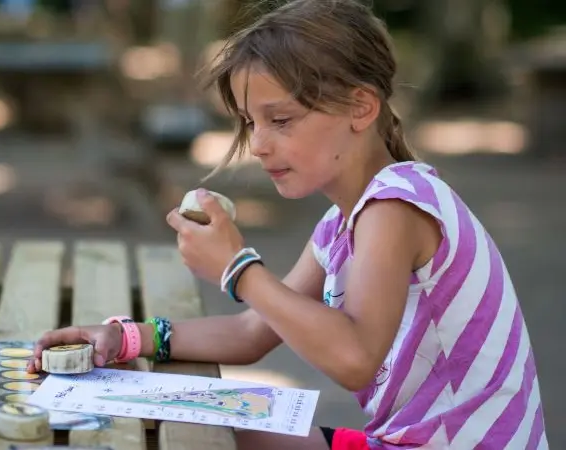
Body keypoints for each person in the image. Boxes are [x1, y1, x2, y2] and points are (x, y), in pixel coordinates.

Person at [28, 0, 549, 448]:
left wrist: (238, 268)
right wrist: (128, 340)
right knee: (189, 432)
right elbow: (252, 332)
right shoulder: (343, 223)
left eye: (281, 121)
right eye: (252, 123)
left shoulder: (397, 206)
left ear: (361, 107)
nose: (258, 144)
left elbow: (354, 358)